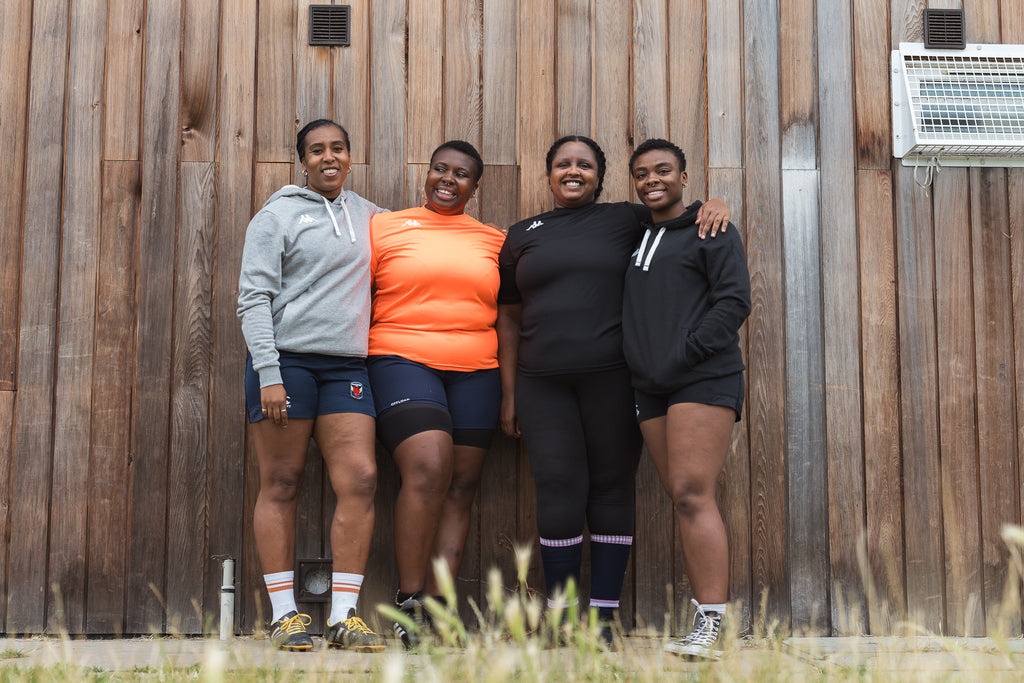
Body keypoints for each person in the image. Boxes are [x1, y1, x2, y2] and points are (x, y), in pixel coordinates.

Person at [496, 135, 730, 643]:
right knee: (557, 489)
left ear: (601, 178)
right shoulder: (520, 235)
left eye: (584, 165)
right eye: (562, 164)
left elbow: (679, 216)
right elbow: (509, 320)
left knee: (610, 490)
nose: (573, 171)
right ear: (549, 174)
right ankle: (561, 618)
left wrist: (716, 203)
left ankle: (601, 620)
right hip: (541, 383)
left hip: (614, 379)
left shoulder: (627, 219)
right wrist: (510, 393)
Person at [237, 119, 385, 652]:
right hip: (287, 363)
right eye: (317, 150)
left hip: (347, 366)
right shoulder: (276, 217)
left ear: (350, 156)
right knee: (282, 482)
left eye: (338, 148)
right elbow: (252, 298)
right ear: (301, 160)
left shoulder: (369, 216)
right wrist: (269, 373)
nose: (329, 157)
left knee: (362, 479)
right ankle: (285, 615)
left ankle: (345, 615)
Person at [367, 140, 506, 648]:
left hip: (477, 370)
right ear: (425, 174)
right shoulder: (384, 226)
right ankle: (410, 602)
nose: (449, 180)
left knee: (462, 485)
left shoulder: (494, 239)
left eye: (462, 174)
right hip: (401, 358)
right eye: (440, 170)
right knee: (428, 466)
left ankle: (441, 607)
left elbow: (510, 316)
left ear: (476, 185)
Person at [623, 138, 751, 659]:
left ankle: (713, 622)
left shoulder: (710, 228)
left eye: (663, 171)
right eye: (642, 173)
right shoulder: (636, 232)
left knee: (691, 490)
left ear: (683, 176)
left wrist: (688, 351)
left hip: (701, 376)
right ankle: (706, 617)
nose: (653, 180)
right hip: (649, 383)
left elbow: (734, 299)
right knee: (679, 496)